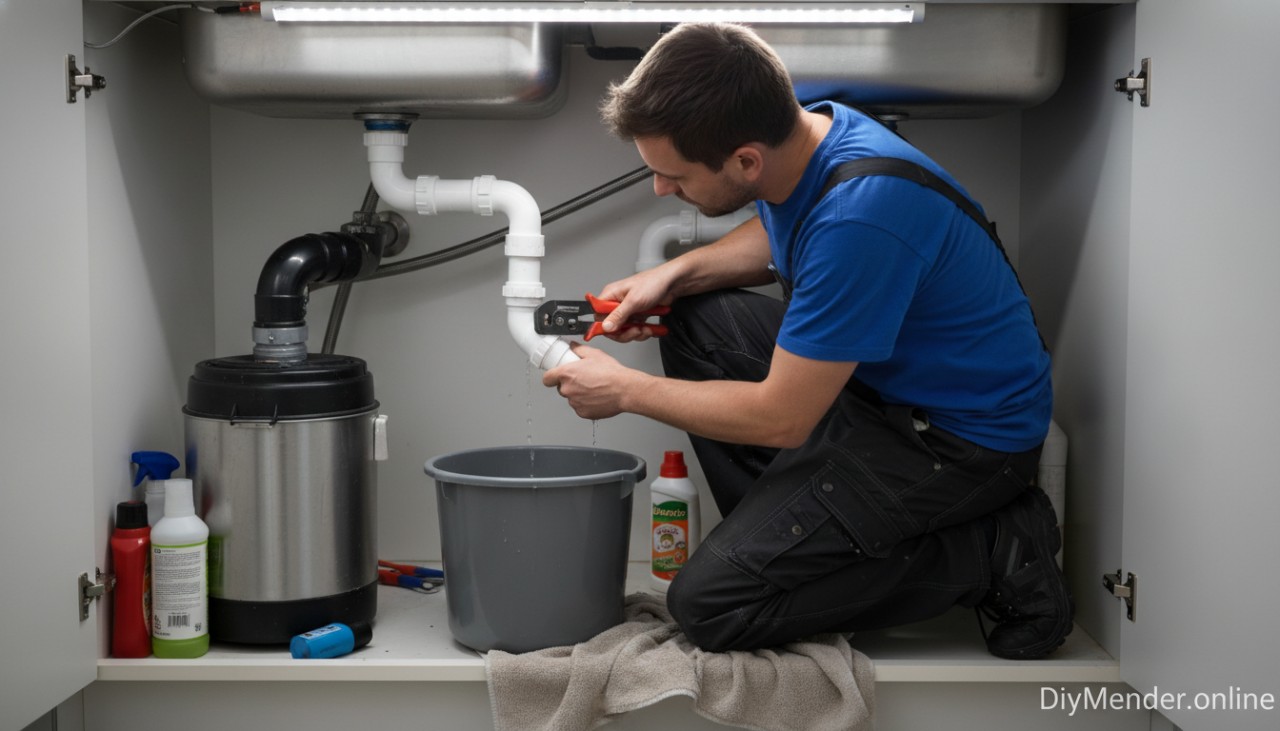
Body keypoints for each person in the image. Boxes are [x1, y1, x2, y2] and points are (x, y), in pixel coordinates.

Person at [542, 22, 1073, 660]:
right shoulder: (814, 131)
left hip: (961, 445)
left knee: (711, 607)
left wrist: (625, 390)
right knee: (696, 320)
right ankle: (797, 540)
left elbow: (782, 418)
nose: (661, 188)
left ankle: (993, 550)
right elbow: (784, 232)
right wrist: (674, 274)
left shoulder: (862, 217)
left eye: (673, 175)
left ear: (744, 161)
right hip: (880, 395)